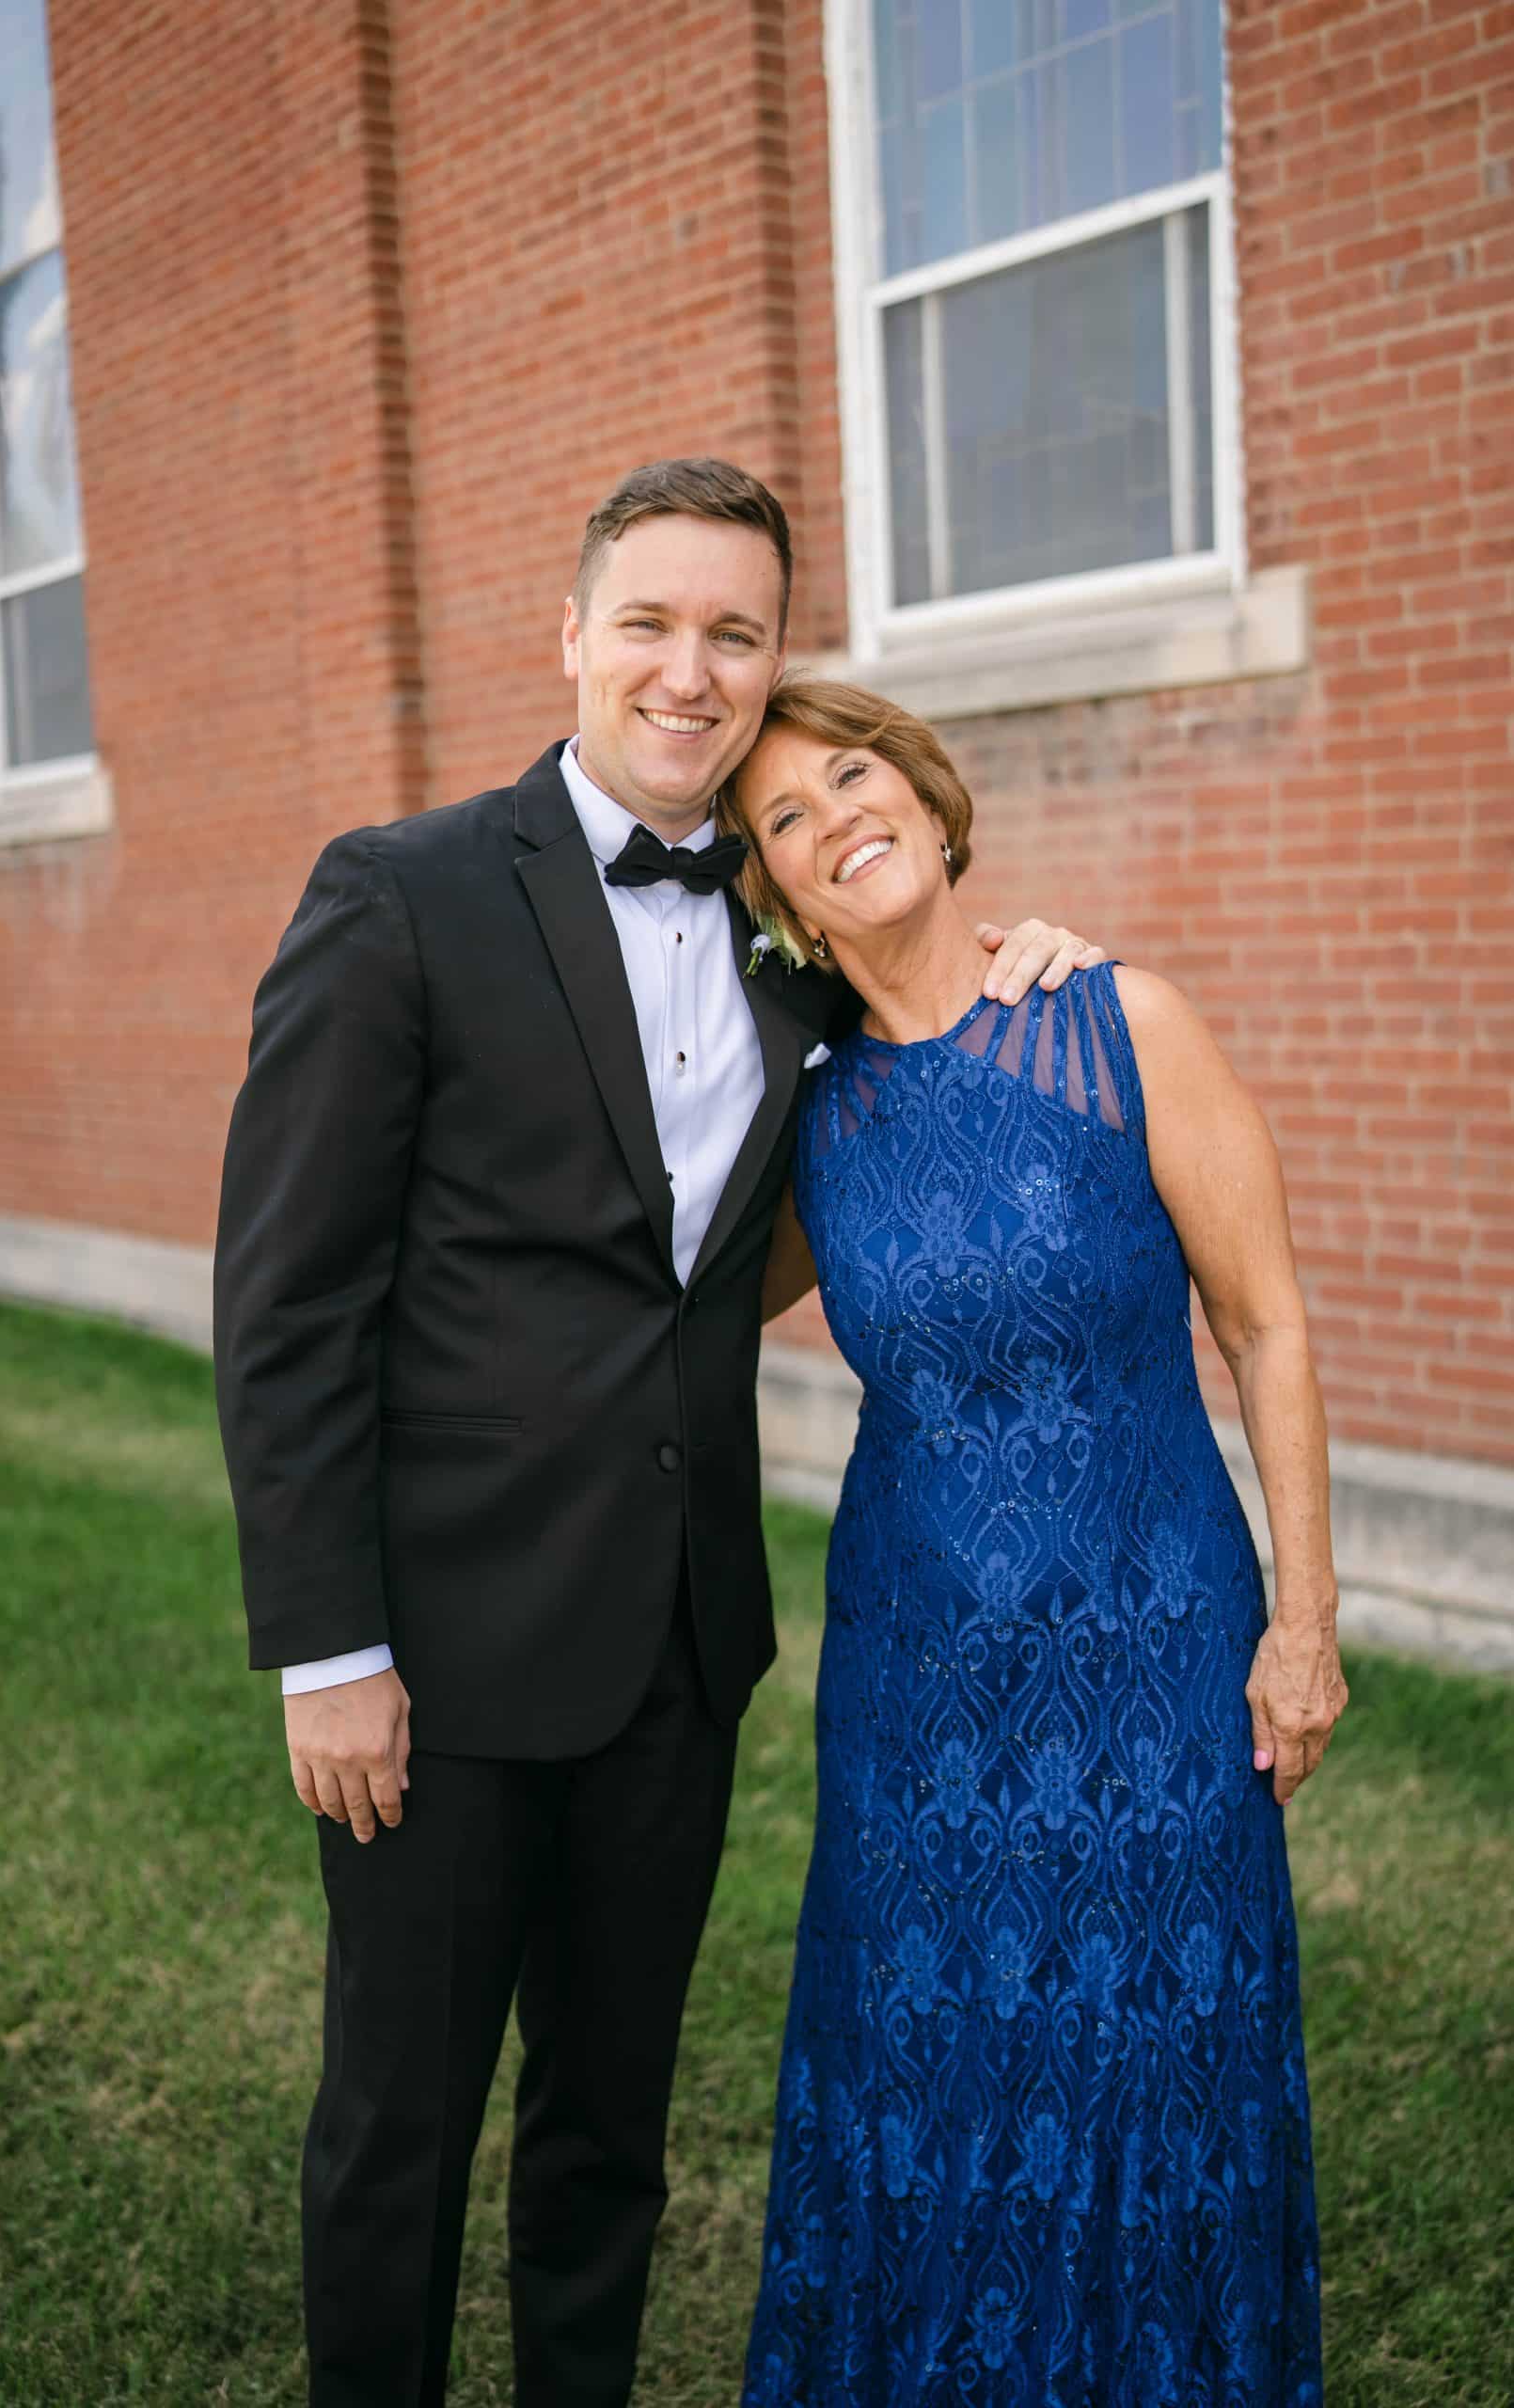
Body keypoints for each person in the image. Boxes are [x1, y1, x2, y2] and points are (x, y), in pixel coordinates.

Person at [212, 458, 1100, 2408]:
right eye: (650, 623)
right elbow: (288, 1302)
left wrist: (1022, 962)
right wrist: (329, 1648)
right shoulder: (402, 892)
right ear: (573, 634)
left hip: (681, 1651)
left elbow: (893, 1062)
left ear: (773, 658)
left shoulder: (793, 929)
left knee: (608, 2129)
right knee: (399, 2127)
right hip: (442, 1654)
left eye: (734, 633)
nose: (689, 670)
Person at [719, 677, 1346, 2408]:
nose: (838, 818)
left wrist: (1305, 1621)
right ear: (780, 899)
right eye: (786, 821)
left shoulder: (1120, 1022)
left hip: (1157, 1647)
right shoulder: (812, 1117)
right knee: (931, 2056)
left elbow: (1267, 1324)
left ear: (927, 798)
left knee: (1159, 2044)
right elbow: (683, 1296)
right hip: (918, 1684)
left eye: (856, 775)